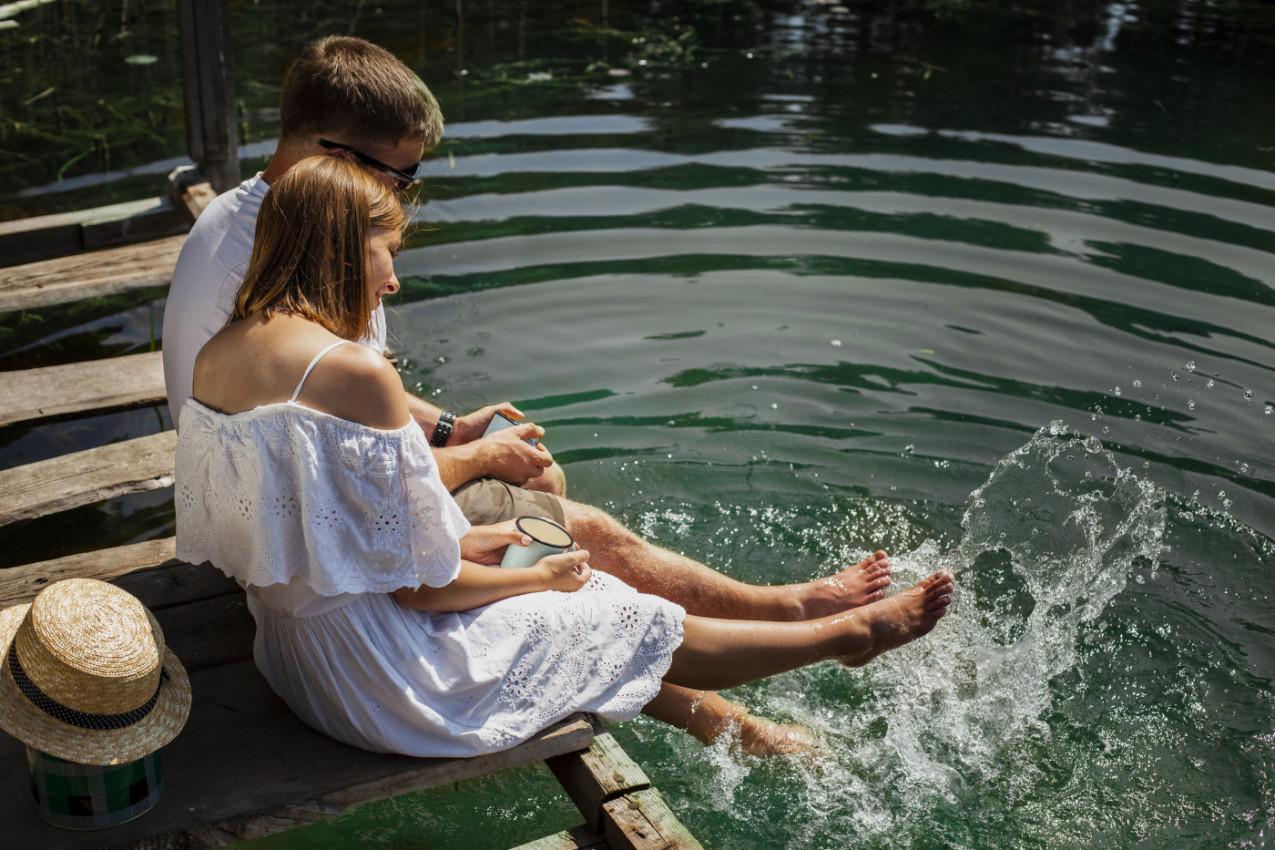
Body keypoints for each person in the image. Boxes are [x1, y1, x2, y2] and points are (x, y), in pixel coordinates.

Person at [162, 35, 901, 755]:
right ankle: (837, 636)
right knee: (607, 599)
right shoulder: (350, 369)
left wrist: (480, 525)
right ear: (333, 227)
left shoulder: (229, 346)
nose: (393, 282)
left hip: (296, 653)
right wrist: (527, 563)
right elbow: (418, 588)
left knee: (558, 567)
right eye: (387, 249)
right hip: (384, 682)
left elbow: (312, 508)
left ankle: (761, 688)